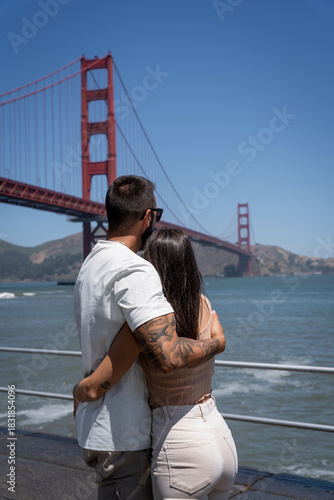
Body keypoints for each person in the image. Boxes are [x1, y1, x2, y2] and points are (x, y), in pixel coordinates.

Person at [73, 175, 226, 500]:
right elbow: (167, 355)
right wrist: (216, 344)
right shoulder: (135, 270)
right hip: (125, 434)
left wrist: (84, 391)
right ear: (148, 216)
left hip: (98, 429)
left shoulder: (90, 265)